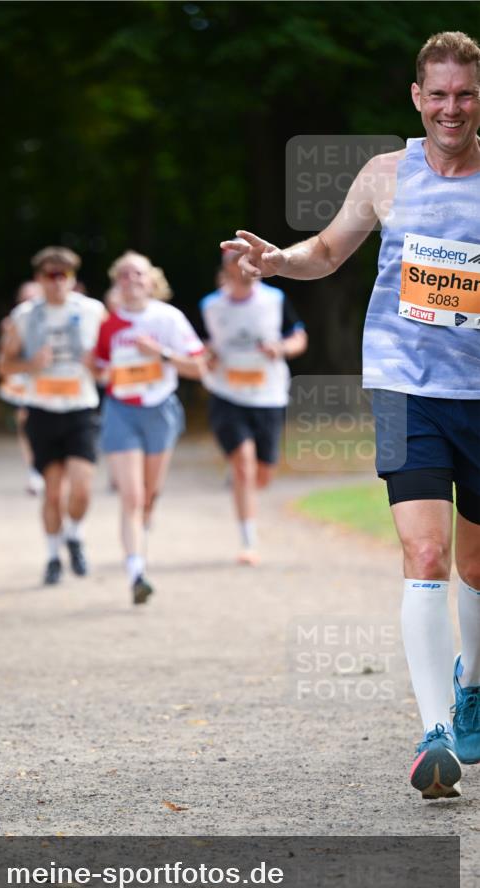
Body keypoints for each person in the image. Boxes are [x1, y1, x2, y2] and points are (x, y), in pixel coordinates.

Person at [222, 30, 480, 799]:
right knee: (426, 556)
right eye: (436, 94)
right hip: (406, 387)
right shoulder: (384, 174)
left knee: (475, 563)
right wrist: (278, 263)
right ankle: (434, 730)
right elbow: (328, 251)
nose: (449, 107)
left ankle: (470, 689)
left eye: (462, 94)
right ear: (415, 97)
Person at [94, 251, 206, 604]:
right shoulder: (108, 324)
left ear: (152, 281)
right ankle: (136, 572)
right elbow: (96, 368)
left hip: (160, 410)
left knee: (150, 494)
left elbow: (198, 368)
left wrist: (160, 354)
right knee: (132, 496)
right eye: (124, 275)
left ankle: (145, 522)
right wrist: (109, 372)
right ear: (117, 283)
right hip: (121, 410)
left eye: (138, 274)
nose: (131, 280)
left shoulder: (169, 318)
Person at [0, 247, 106, 585]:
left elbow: (110, 361)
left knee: (82, 489)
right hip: (42, 410)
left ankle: (74, 534)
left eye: (64, 275)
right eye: (50, 275)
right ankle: (52, 556)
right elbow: (3, 365)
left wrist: (98, 366)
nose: (57, 282)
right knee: (53, 492)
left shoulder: (93, 312)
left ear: (73, 279)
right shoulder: (24, 316)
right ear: (39, 279)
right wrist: (30, 364)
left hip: (81, 409)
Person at [201, 251, 308, 565]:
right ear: (228, 269)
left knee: (263, 474)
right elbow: (200, 344)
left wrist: (281, 348)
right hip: (227, 395)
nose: (249, 267)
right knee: (244, 465)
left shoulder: (275, 299)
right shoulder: (211, 305)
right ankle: (248, 542)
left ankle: (242, 483)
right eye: (239, 262)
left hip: (269, 395)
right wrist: (207, 353)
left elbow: (299, 338)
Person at [0, 280, 43, 494]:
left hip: (49, 381)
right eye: (25, 298)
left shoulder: (55, 319)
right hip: (23, 378)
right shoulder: (14, 322)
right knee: (25, 422)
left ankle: (45, 467)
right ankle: (34, 470)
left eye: (33, 297)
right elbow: (4, 360)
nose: (29, 302)